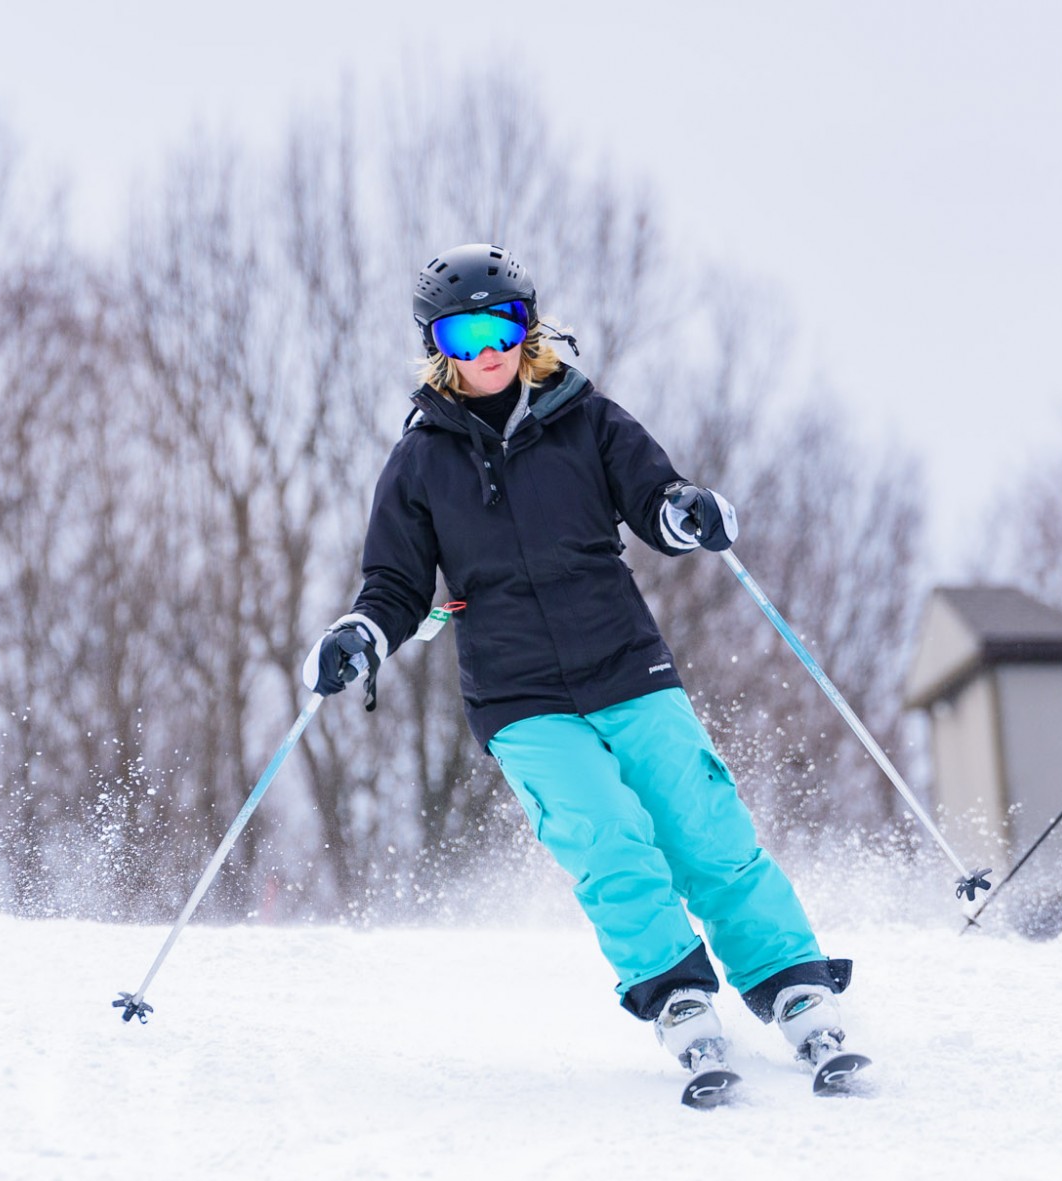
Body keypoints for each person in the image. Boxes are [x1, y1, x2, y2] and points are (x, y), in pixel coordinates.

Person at [301, 243, 857, 1092]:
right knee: (606, 839)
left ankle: (792, 984)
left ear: (530, 328)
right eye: (462, 333)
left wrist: (687, 512)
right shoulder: (419, 463)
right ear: (435, 348)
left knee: (701, 826)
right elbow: (395, 586)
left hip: (625, 663)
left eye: (503, 325)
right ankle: (675, 995)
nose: (486, 349)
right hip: (519, 694)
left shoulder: (588, 420)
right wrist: (361, 636)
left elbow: (656, 501)